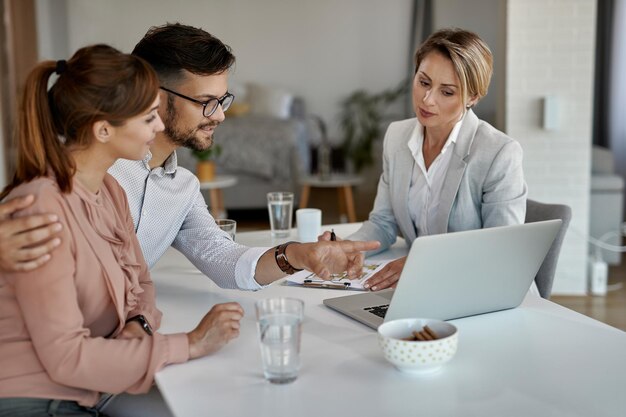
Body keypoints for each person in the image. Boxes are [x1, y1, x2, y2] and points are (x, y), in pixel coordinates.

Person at [0, 22, 378, 288]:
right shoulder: (93, 166)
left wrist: (298, 255)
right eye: (206, 102)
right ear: (154, 94)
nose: (221, 115)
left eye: (223, 100)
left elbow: (222, 257)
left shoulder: (182, 188)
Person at [323, 28, 527, 291]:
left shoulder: (499, 153)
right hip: (420, 287)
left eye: (447, 92)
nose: (427, 100)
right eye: (424, 82)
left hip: (481, 290)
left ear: (473, 97)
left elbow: (500, 248)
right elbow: (383, 223)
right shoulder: (397, 137)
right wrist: (348, 247)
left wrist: (420, 262)